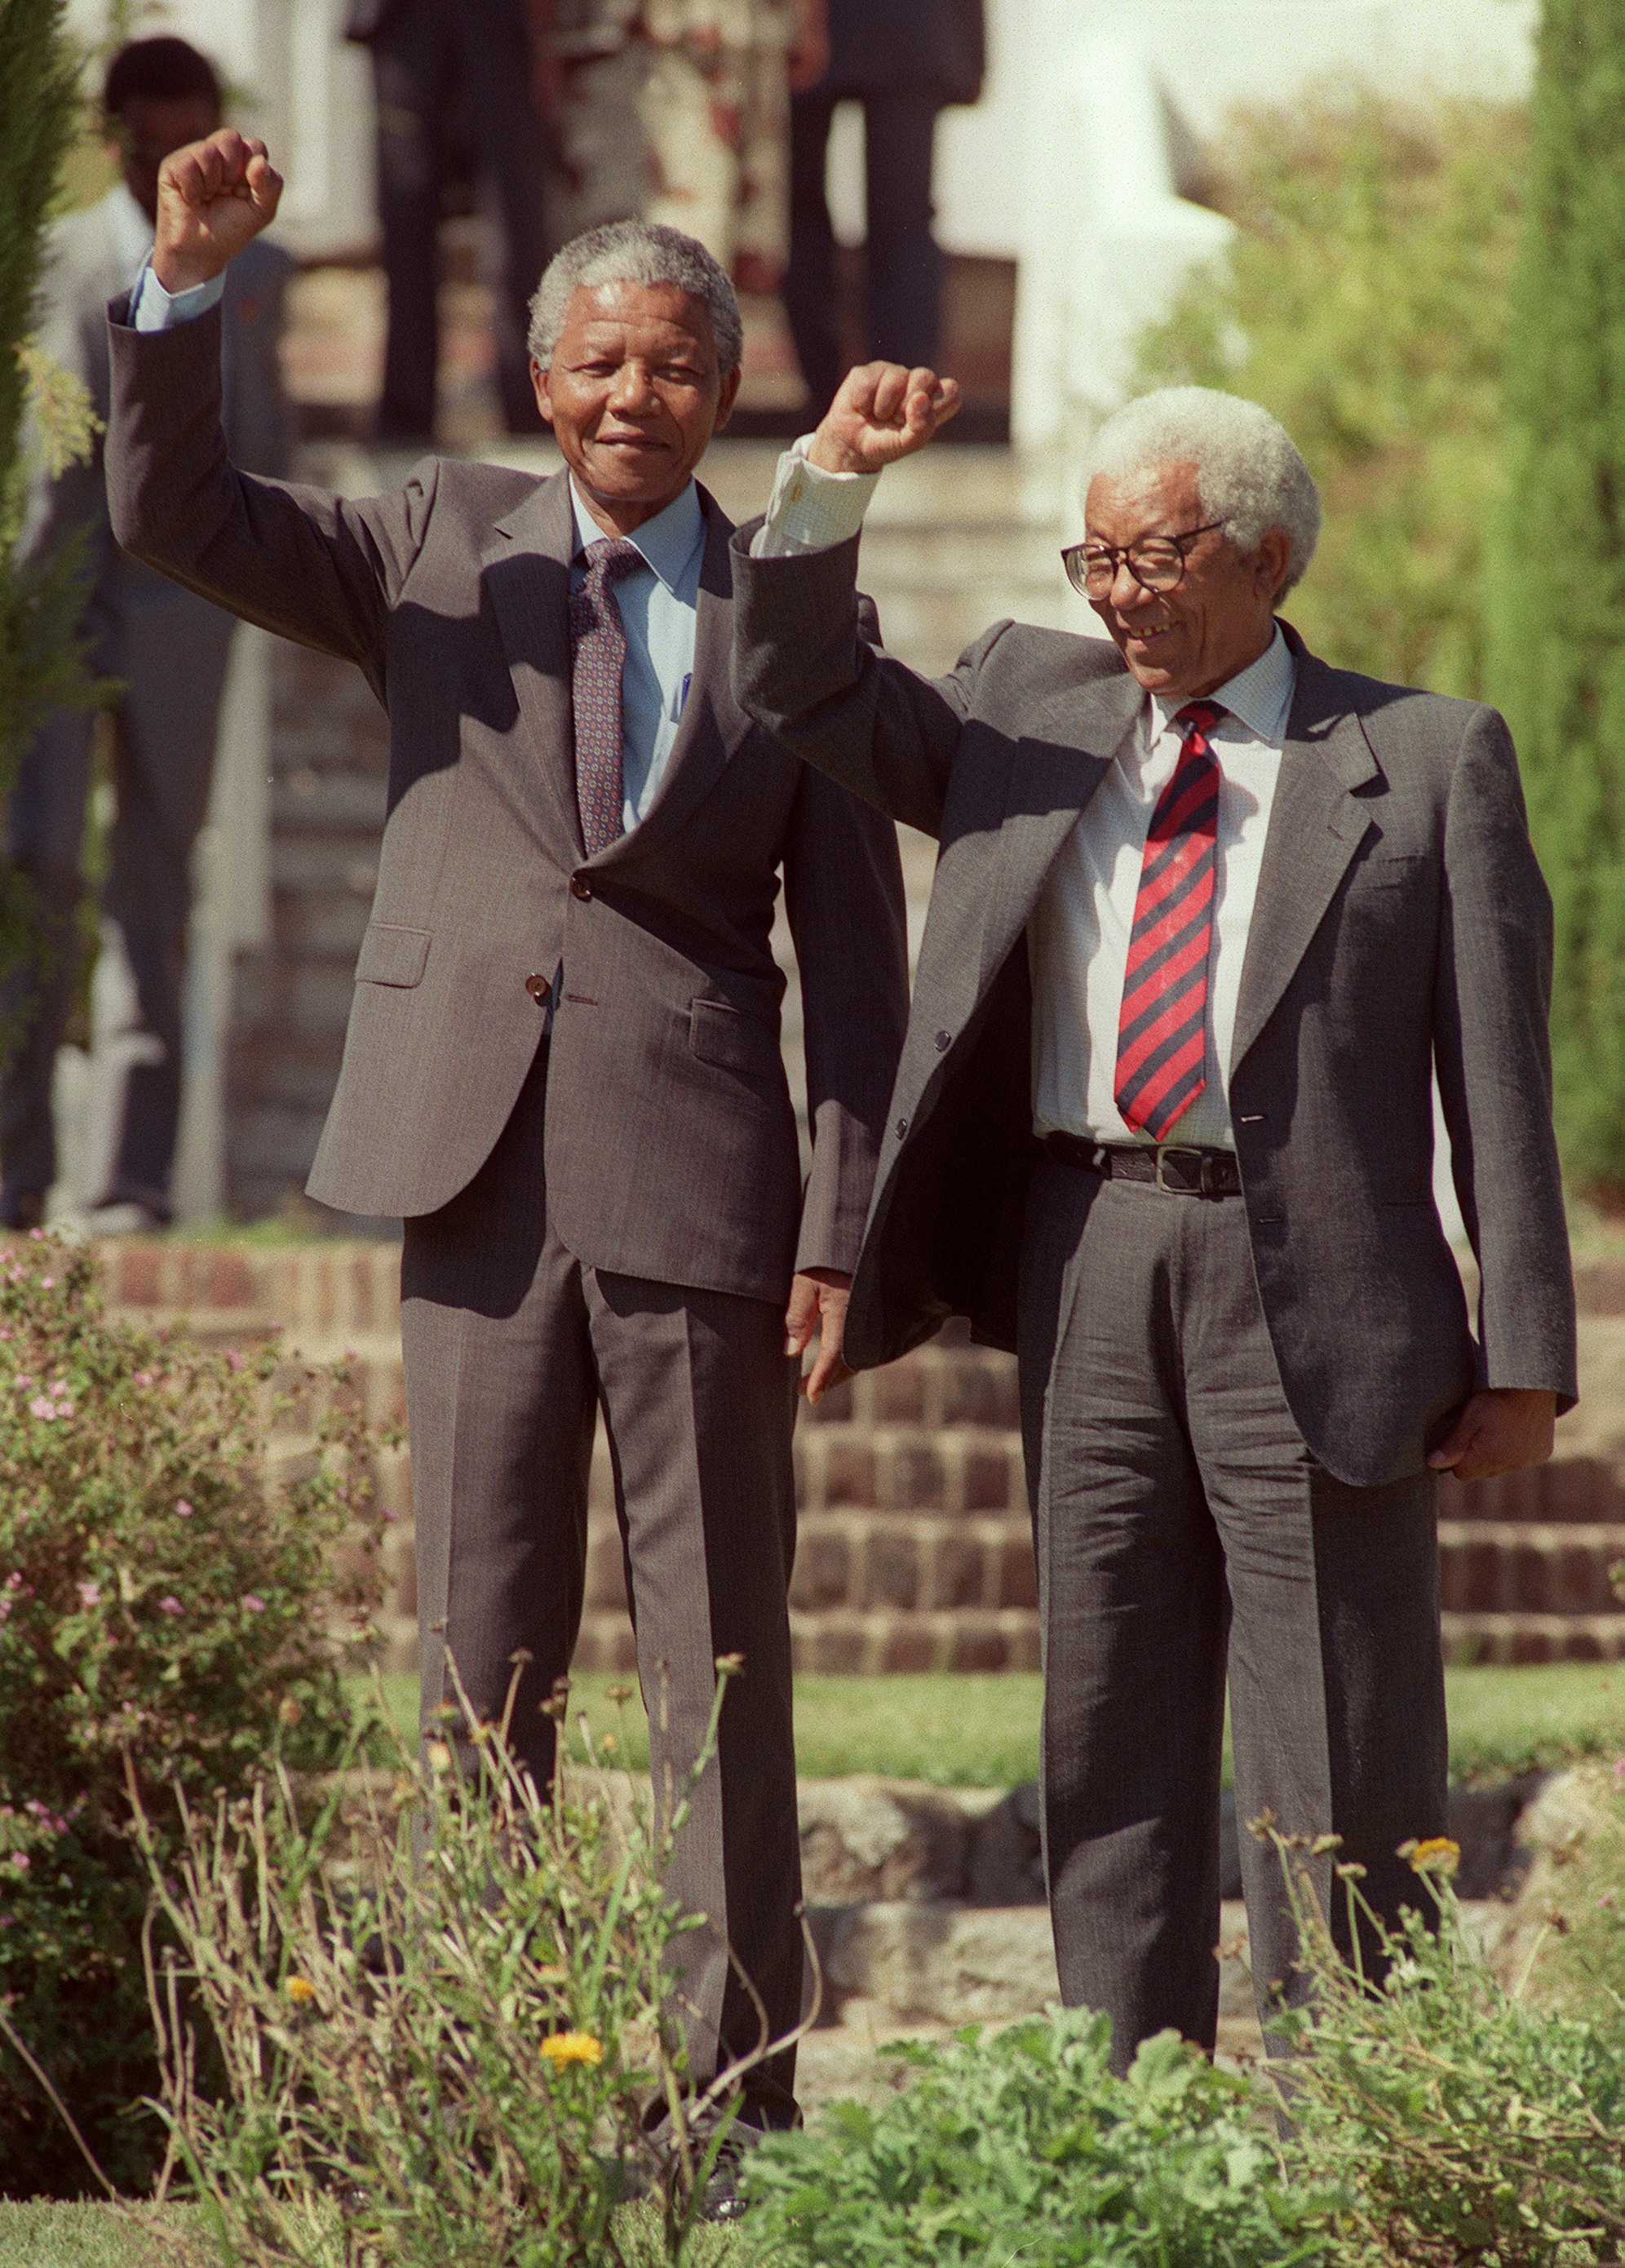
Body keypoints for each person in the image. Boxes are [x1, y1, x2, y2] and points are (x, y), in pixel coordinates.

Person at [103, 131, 907, 2156]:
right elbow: (173, 507)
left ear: (722, 393)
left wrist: (843, 1231)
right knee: (480, 1656)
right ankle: (492, 2075)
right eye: (595, 364)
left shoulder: (797, 611)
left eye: (670, 367)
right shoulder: (429, 541)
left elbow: (858, 968)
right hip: (465, 1171)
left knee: (717, 1665)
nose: (630, 398)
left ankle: (728, 2103)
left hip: (709, 1195)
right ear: (538, 377)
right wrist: (186, 287)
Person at [729, 370, 1578, 2069]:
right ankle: (1126, 2130)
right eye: (1095, 560)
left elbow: (1498, 1079)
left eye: (1159, 557)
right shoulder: (1023, 710)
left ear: (1266, 556)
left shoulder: (1420, 759)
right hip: (1086, 1255)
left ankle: (1363, 2131)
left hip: (1321, 1289)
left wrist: (1527, 1356)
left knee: (1338, 1740)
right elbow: (797, 678)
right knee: (1105, 1718)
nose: (1121, 595)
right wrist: (827, 479)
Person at [1, 37, 293, 1233]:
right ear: (112, 135)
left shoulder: (261, 269)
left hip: (184, 617)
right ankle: (14, 1177)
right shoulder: (49, 255)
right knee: (36, 873)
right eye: (146, 136)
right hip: (53, 607)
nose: (165, 156)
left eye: (192, 129)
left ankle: (132, 1186)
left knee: (156, 888)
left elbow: (266, 444)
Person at [345, 0, 553, 438]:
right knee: (405, 208)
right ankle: (405, 414)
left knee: (515, 219)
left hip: (497, 16)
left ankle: (532, 406)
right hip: (402, 16)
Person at [538, 0, 828, 294]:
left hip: (716, 34)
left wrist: (809, 21)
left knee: (708, 248)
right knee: (604, 245)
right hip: (614, 38)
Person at [782, 0, 984, 419]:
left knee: (816, 215)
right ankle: (899, 389)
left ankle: (867, 389)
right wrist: (971, 48)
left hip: (875, 28)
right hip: (909, 28)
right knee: (892, 219)